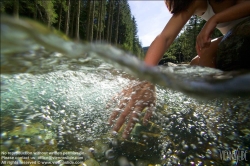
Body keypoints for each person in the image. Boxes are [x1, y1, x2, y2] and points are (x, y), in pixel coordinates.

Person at [108, 0, 250, 138]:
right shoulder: (193, 3)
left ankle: (222, 114)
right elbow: (165, 37)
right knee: (195, 63)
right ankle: (215, 107)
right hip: (231, 37)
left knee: (206, 54)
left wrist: (216, 18)